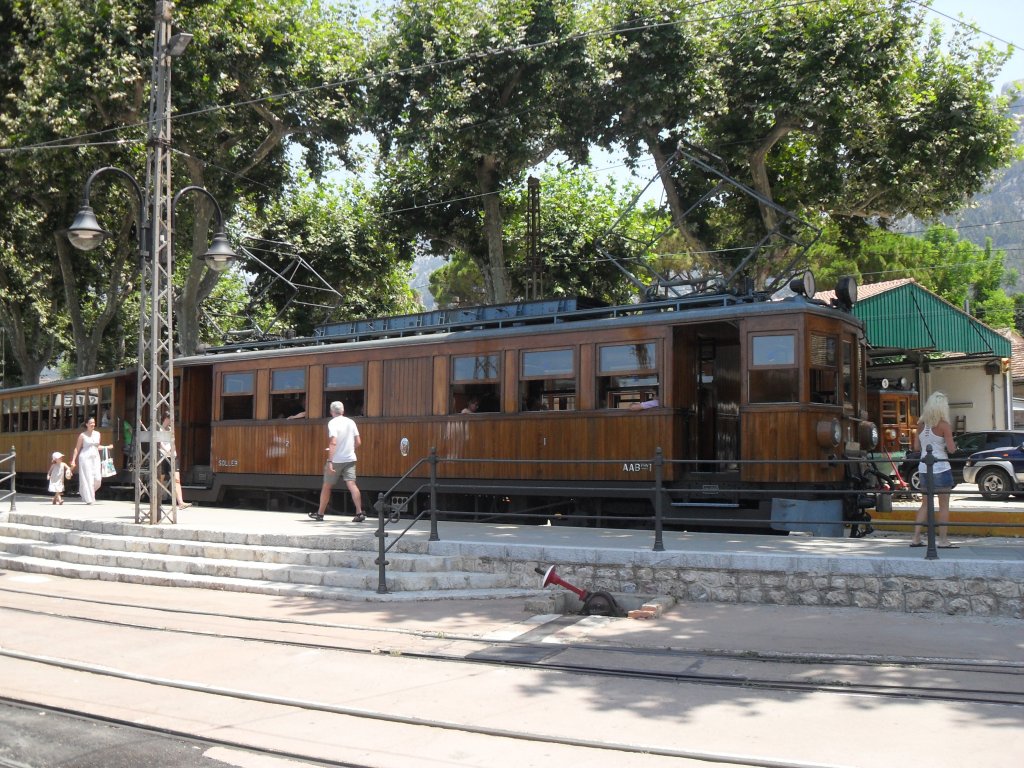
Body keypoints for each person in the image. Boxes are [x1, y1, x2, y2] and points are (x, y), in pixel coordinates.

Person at [910, 391, 958, 548]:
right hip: (941, 467)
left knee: (925, 504)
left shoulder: (921, 425)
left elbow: (916, 447)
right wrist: (949, 444)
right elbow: (951, 449)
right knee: (943, 505)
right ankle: (943, 540)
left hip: (924, 468)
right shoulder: (944, 425)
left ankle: (916, 538)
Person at [311, 400, 365, 522]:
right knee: (352, 484)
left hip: (336, 460)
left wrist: (330, 461)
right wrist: (349, 450)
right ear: (343, 411)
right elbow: (358, 442)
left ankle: (320, 514)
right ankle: (359, 512)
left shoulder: (332, 423)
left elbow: (333, 442)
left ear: (331, 412)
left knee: (327, 486)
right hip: (350, 458)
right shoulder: (351, 422)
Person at [70, 417, 113, 504]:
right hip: (85, 457)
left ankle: (86, 493)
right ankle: (90, 499)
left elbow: (97, 446)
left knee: (98, 479)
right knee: (88, 478)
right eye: (91, 423)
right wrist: (73, 460)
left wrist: (107, 447)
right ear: (86, 424)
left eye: (94, 423)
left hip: (95, 458)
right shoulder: (82, 435)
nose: (93, 424)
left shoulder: (97, 434)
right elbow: (77, 448)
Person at [158, 415, 191, 508]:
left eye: (171, 420)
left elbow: (172, 442)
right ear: (164, 419)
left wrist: (173, 452)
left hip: (173, 456)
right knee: (160, 480)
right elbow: (158, 444)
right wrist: (167, 451)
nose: (169, 422)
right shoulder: (158, 429)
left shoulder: (170, 429)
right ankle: (157, 502)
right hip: (162, 456)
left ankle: (180, 502)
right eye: (168, 419)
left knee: (176, 479)